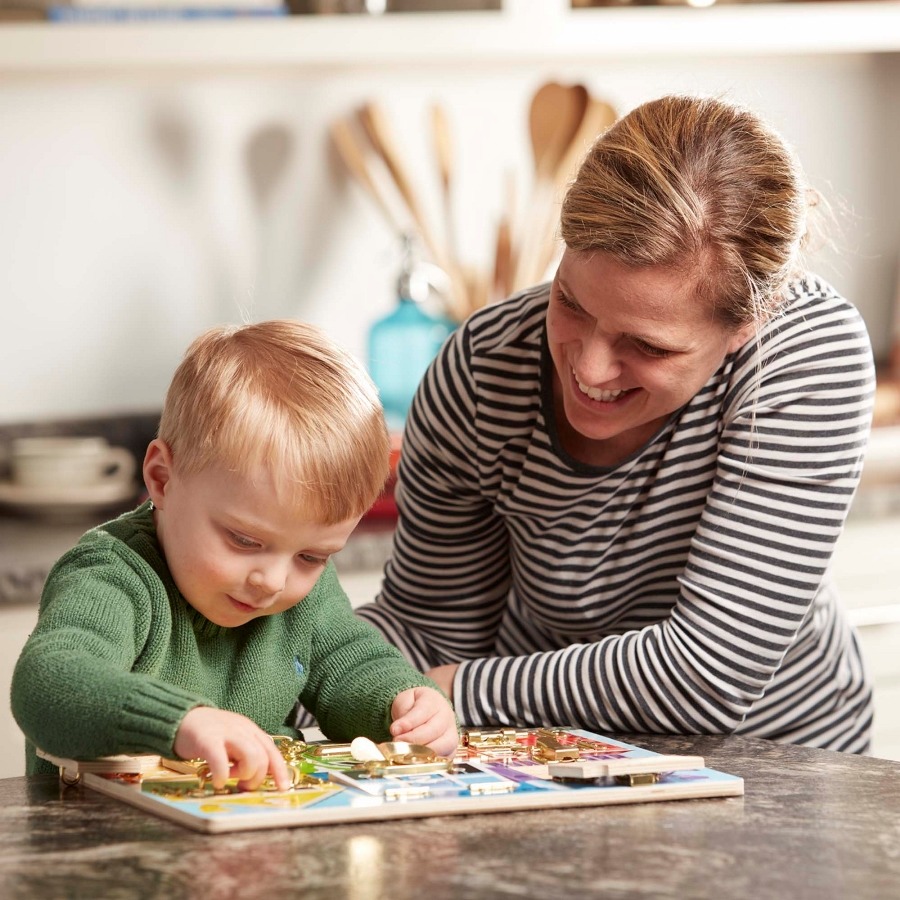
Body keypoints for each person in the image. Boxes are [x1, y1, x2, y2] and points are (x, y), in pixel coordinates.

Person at [356, 94, 876, 753]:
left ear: (748, 323)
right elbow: (432, 633)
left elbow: (708, 673)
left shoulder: (805, 351)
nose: (591, 369)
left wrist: (465, 691)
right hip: (550, 749)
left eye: (649, 346)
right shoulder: (482, 373)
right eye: (570, 303)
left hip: (780, 754)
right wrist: (291, 660)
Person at [12, 320, 458, 790]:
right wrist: (182, 722)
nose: (273, 581)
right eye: (245, 541)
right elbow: (49, 683)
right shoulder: (111, 575)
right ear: (162, 478)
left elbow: (352, 663)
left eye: (311, 557)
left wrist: (404, 703)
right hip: (102, 847)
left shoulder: (299, 594)